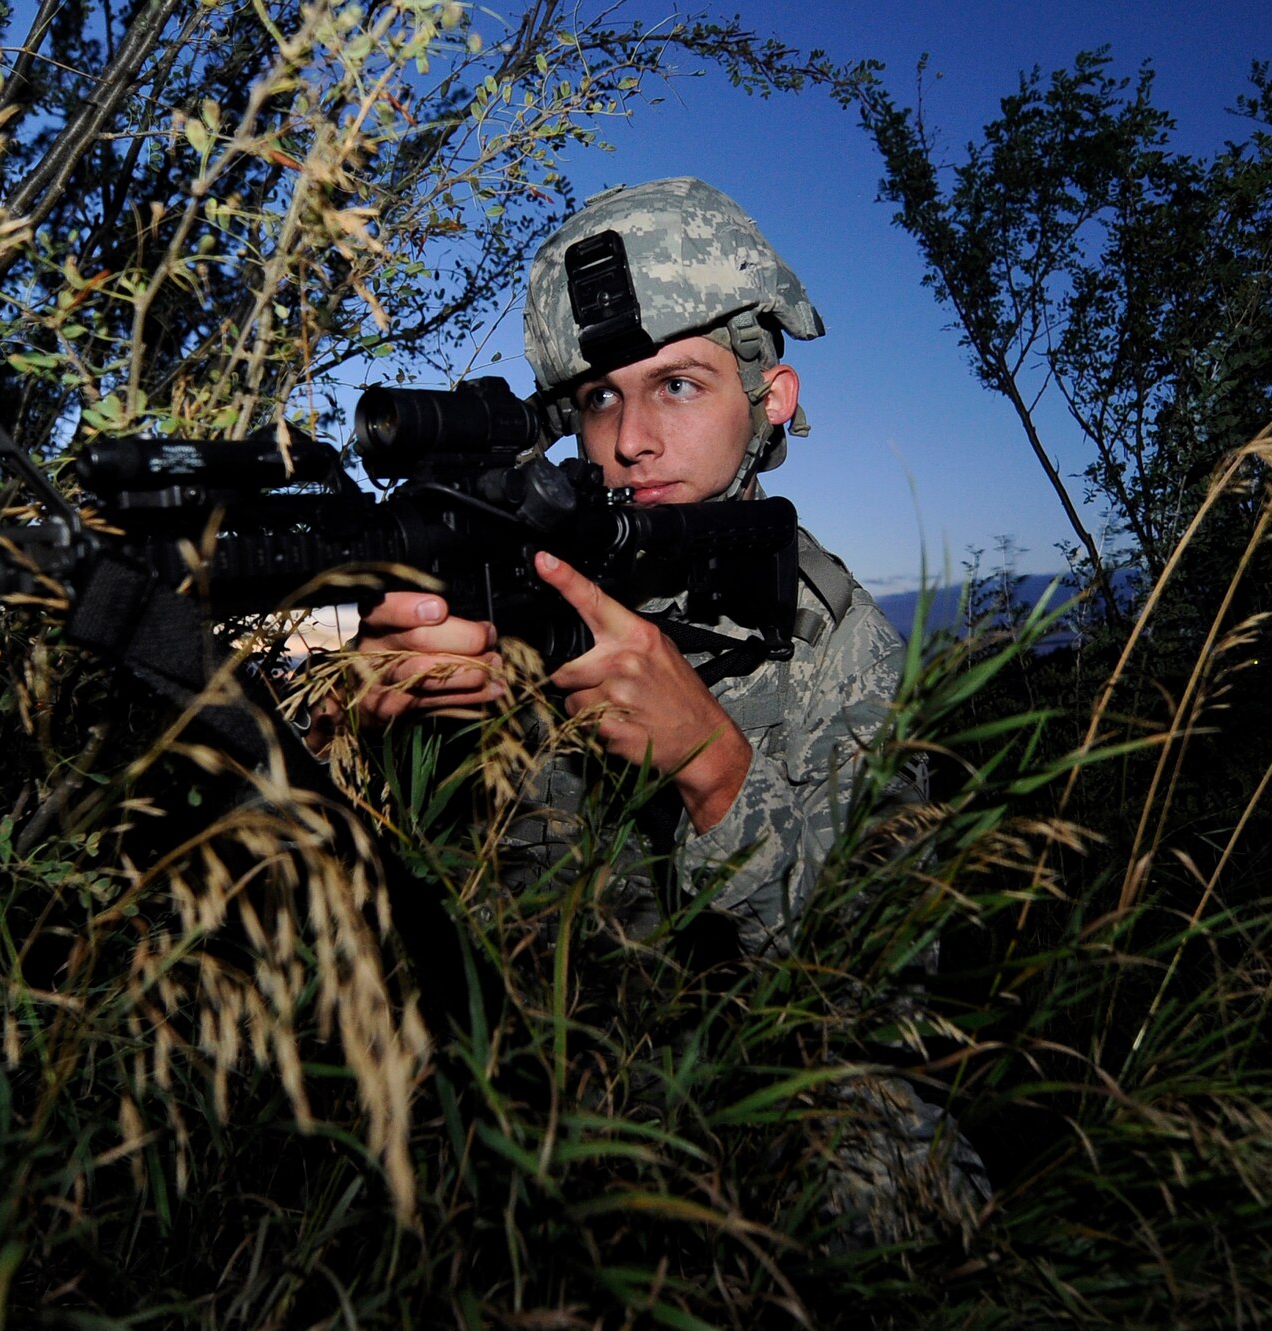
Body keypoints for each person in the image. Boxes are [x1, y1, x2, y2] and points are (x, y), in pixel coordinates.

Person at [332, 176, 906, 956]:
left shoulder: (834, 637)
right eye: (601, 398)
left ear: (768, 397)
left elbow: (883, 973)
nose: (632, 438)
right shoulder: (513, 581)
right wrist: (367, 732)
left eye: (677, 385)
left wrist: (717, 774)